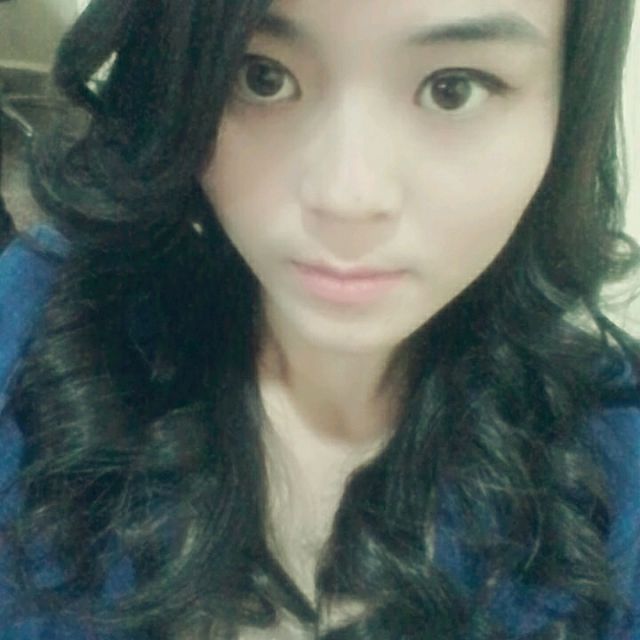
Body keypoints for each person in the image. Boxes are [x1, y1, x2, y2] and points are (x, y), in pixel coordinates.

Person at [0, 0, 639, 637]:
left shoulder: (615, 462)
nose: (347, 199)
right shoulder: (47, 319)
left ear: (568, 106)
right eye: (262, 77)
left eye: (453, 89)